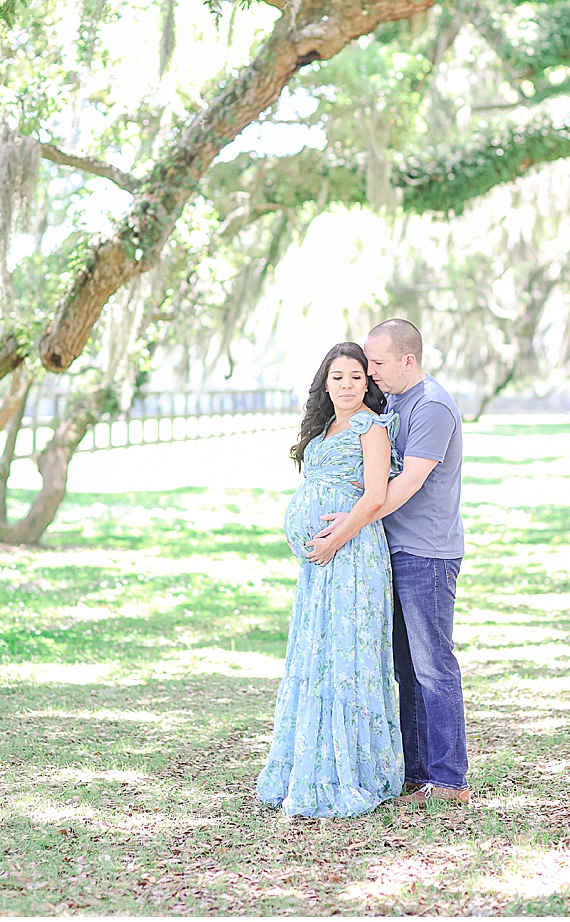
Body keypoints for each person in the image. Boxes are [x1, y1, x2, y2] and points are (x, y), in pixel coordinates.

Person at [307, 318, 469, 806]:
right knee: (405, 669)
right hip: (390, 551)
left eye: (376, 363)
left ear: (408, 360)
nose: (370, 372)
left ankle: (449, 780)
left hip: (427, 552)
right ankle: (418, 777)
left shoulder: (433, 406)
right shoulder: (394, 402)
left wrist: (345, 530)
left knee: (433, 667)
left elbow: (403, 485)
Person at [256, 341, 404, 818]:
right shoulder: (323, 428)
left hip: (354, 555)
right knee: (318, 652)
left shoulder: (371, 427)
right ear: (326, 381)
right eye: (338, 377)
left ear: (368, 383)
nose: (346, 385)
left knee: (349, 651)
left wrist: (335, 538)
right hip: (320, 563)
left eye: (357, 378)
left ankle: (354, 768)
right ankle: (311, 761)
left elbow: (376, 496)